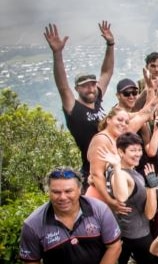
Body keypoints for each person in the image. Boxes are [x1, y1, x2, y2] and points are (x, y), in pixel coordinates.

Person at [44, 22, 114, 188]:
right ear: (77, 89)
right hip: (91, 168)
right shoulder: (73, 108)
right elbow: (62, 86)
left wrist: (110, 44)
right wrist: (57, 54)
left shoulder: (96, 99)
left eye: (92, 84)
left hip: (111, 163)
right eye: (85, 86)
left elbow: (106, 72)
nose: (90, 88)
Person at [98, 132, 158, 264]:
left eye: (139, 150)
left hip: (123, 229)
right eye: (133, 150)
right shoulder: (121, 174)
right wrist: (151, 188)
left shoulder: (121, 171)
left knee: (124, 249)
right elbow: (122, 196)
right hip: (139, 233)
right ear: (121, 152)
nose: (138, 153)